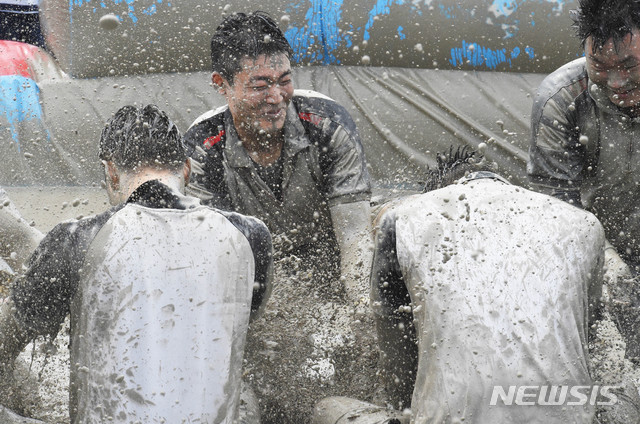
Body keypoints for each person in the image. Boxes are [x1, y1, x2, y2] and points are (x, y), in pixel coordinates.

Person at [312, 148, 638, 423]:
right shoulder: (582, 223)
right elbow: (589, 337)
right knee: (622, 391)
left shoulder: (404, 217)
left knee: (326, 408)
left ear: (435, 192)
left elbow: (396, 365)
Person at [0, 104, 273, 423]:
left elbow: (7, 341)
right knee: (242, 393)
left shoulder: (75, 237)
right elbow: (238, 323)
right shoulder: (251, 235)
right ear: (186, 169)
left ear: (110, 172)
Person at [184, 11, 372, 302]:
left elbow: (355, 240)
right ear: (221, 84)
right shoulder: (203, 147)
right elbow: (210, 257)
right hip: (253, 283)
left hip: (331, 267)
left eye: (284, 80)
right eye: (259, 86)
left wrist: (361, 318)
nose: (276, 97)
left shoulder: (327, 125)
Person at [527, 0, 640, 363]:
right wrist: (609, 266)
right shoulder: (561, 99)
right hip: (592, 255)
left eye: (628, 65)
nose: (618, 82)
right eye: (600, 67)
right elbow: (558, 215)